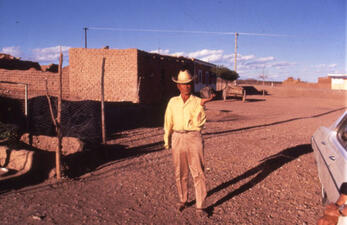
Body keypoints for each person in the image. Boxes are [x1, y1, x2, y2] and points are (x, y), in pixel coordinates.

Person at [163, 70, 214, 218]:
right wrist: (167, 139)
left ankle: (200, 206)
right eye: (183, 84)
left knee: (198, 172)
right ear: (178, 86)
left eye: (189, 84)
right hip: (177, 137)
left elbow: (199, 124)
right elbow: (168, 121)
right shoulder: (173, 102)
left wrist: (202, 105)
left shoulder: (198, 101)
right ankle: (183, 199)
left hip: (193, 137)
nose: (186, 86)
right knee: (180, 172)